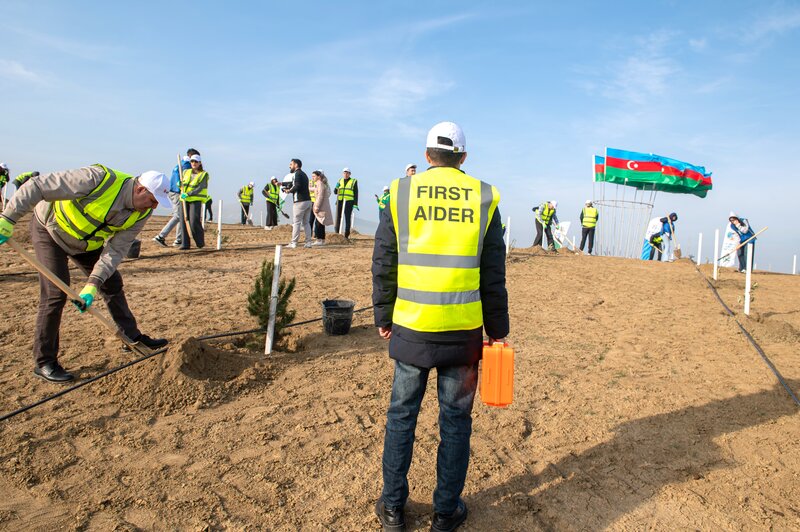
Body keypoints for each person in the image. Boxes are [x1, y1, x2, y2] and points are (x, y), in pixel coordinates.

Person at [372, 121, 509, 532]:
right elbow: (493, 272)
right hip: (462, 335)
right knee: (455, 423)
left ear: (427, 154)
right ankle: (445, 512)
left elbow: (384, 259)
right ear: (463, 158)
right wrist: (496, 329)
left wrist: (383, 314)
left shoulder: (399, 192)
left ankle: (394, 510)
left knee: (401, 418)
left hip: (411, 328)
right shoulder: (484, 197)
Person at [0, 165, 170, 382]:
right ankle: (44, 362)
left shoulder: (141, 213)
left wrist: (93, 283)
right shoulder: (97, 179)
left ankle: (132, 338)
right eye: (153, 200)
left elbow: (116, 251)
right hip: (51, 231)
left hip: (85, 244)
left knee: (112, 282)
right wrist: (8, 218)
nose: (154, 207)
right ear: (140, 190)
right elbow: (38, 186)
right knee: (55, 294)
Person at [153, 154, 191, 247]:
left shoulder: (180, 164)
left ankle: (178, 240)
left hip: (173, 191)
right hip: (177, 192)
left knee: (180, 215)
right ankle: (160, 236)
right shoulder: (186, 165)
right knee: (178, 215)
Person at [179, 154, 209, 249]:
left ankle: (200, 242)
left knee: (193, 221)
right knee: (183, 221)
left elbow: (201, 187)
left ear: (200, 163)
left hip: (195, 200)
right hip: (184, 199)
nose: (194, 163)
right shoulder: (185, 172)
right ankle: (185, 244)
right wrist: (179, 184)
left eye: (196, 161)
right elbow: (183, 184)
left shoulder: (204, 174)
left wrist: (189, 194)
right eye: (192, 161)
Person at [283, 158, 312, 249]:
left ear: (296, 165)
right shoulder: (304, 174)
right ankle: (308, 242)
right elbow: (296, 183)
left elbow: (297, 185)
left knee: (296, 223)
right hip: (308, 201)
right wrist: (282, 184)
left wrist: (288, 191)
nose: (289, 166)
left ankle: (294, 243)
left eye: (291, 164)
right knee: (306, 223)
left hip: (300, 202)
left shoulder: (296, 174)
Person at [310, 170, 334, 246]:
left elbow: (320, 196)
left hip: (320, 206)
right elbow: (315, 190)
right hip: (322, 205)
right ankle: (322, 240)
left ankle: (319, 239)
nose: (312, 178)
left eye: (314, 176)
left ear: (318, 177)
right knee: (321, 222)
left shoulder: (320, 183)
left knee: (319, 223)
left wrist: (316, 206)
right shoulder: (320, 183)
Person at [334, 167, 358, 238]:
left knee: (347, 218)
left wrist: (355, 204)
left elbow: (356, 193)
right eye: (344, 173)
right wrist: (336, 187)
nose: (346, 174)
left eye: (347, 173)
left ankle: (346, 235)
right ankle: (337, 234)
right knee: (338, 217)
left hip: (349, 202)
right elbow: (335, 192)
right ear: (342, 173)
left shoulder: (353, 181)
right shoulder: (340, 180)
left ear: (350, 174)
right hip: (340, 202)